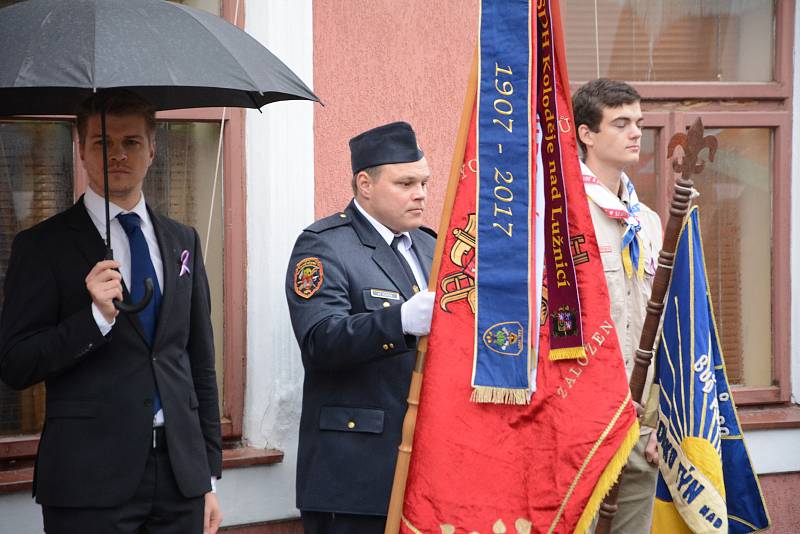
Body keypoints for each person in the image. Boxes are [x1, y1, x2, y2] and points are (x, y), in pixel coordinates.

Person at [0, 90, 222, 534]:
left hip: (180, 480)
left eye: (131, 142)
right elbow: (16, 364)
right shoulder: (42, 246)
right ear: (80, 149)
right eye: (102, 142)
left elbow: (198, 362)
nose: (117, 154)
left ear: (153, 149)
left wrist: (208, 474)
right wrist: (95, 319)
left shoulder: (183, 240)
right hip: (88, 484)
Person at [286, 121, 436, 534]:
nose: (420, 193)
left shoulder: (430, 246)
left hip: (426, 471)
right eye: (405, 183)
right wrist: (400, 322)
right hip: (355, 470)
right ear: (365, 184)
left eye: (423, 182)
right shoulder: (325, 245)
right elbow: (320, 340)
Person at [572, 79, 663, 533]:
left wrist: (661, 421)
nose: (635, 134)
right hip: (580, 427)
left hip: (639, 424)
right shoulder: (564, 218)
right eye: (621, 123)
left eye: (639, 123)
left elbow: (663, 327)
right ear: (586, 134)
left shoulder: (646, 222)